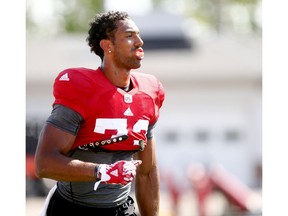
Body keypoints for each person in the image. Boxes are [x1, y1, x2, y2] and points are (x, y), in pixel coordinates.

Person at [34, 10, 165, 216]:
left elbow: (147, 173)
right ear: (107, 45)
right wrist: (102, 172)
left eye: (138, 35)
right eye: (129, 36)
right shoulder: (81, 87)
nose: (139, 42)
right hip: (72, 208)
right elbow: (44, 163)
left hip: (120, 208)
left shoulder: (149, 91)